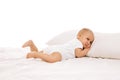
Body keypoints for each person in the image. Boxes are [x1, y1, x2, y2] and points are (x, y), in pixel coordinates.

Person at [22, 28, 94, 63]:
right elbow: (78, 54)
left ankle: (32, 45)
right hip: (61, 52)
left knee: (42, 54)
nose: (88, 42)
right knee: (53, 59)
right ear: (79, 36)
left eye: (91, 42)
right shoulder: (79, 44)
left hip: (54, 48)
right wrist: (86, 50)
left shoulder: (74, 41)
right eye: (87, 39)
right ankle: (35, 54)